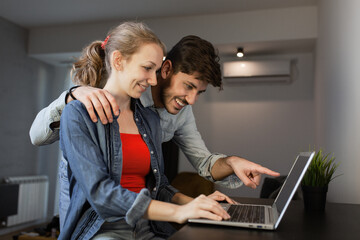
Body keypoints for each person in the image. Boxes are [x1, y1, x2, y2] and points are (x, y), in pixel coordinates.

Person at [30, 34, 279, 229]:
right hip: (91, 201)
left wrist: (232, 162)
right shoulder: (118, 92)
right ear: (167, 69)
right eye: (189, 86)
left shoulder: (178, 113)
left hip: (138, 211)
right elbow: (38, 137)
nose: (192, 100)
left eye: (199, 92)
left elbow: (201, 164)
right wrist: (72, 94)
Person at [58, 21, 232, 240]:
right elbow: (100, 193)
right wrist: (179, 212)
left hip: (146, 227)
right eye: (148, 68)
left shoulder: (149, 118)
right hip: (103, 229)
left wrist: (197, 204)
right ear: (118, 60)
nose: (153, 80)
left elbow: (160, 187)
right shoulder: (77, 113)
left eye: (156, 71)